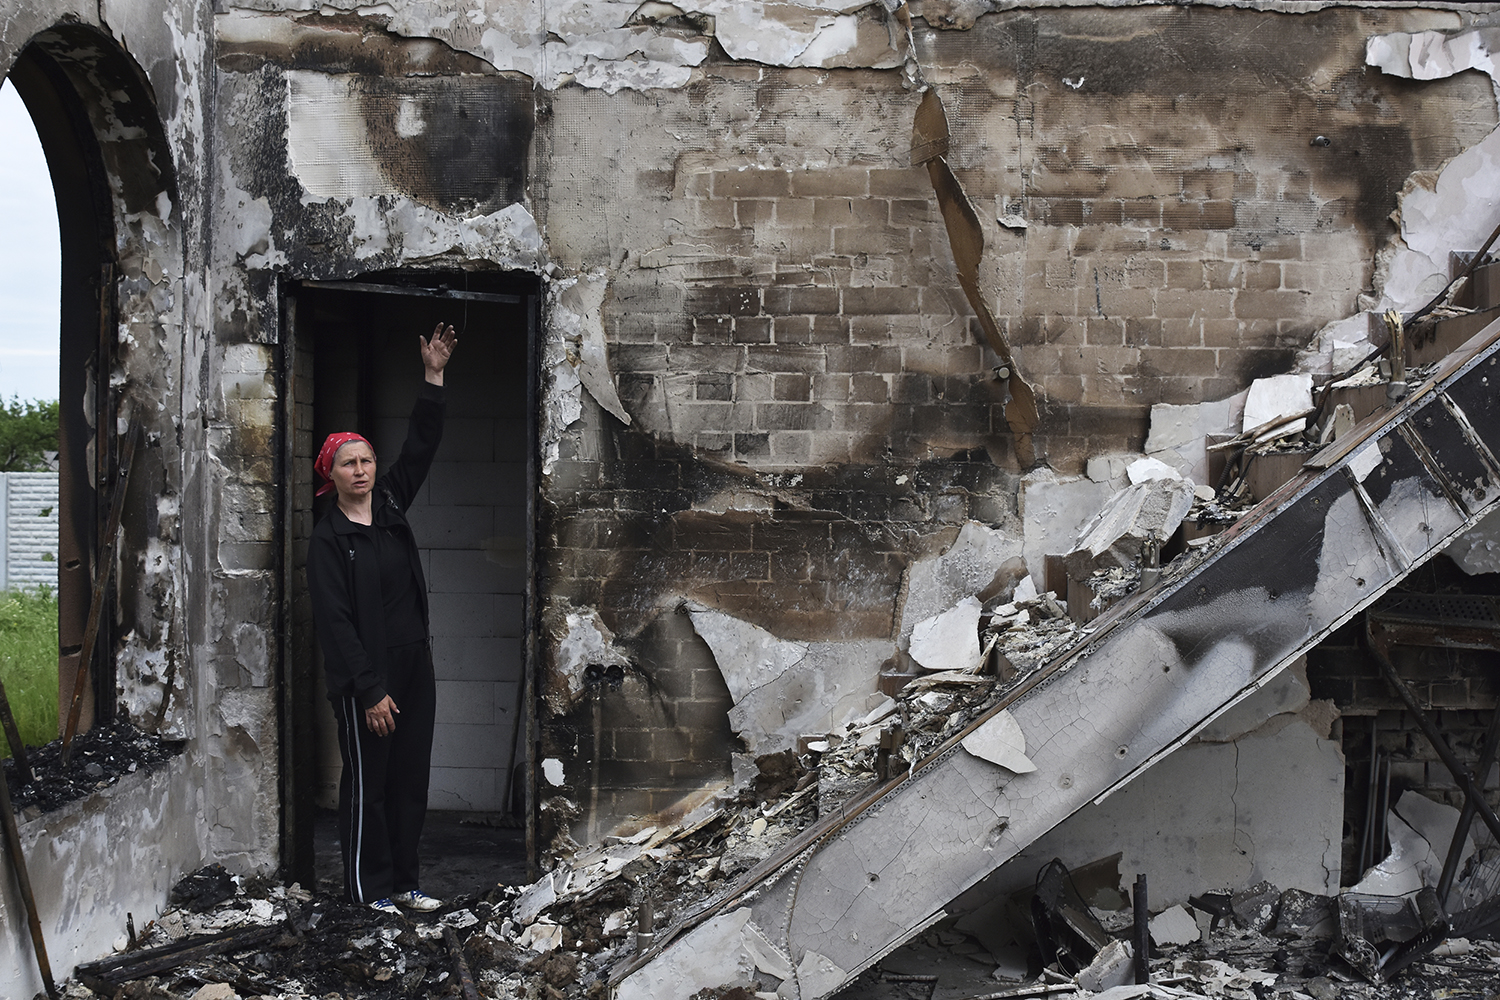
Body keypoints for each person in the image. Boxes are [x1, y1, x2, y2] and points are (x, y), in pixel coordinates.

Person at [306, 322, 457, 914]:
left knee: (409, 783)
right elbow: (335, 624)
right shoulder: (328, 540)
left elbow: (420, 446)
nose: (363, 470)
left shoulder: (391, 503)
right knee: (369, 785)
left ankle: (405, 883)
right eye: (349, 463)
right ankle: (368, 892)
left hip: (413, 664)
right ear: (332, 475)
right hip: (367, 679)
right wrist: (369, 690)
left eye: (367, 459)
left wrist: (434, 376)